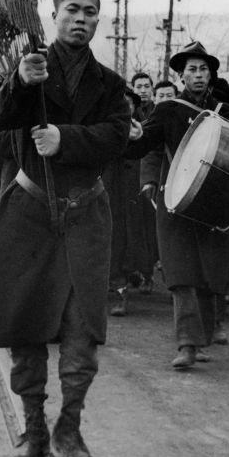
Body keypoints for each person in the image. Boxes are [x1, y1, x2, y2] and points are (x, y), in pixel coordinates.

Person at [0, 0, 129, 457]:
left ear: (99, 21)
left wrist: (66, 138)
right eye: (72, 10)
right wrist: (19, 82)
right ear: (54, 14)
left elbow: (117, 137)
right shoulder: (28, 70)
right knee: (26, 324)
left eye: (91, 12)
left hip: (86, 217)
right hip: (30, 215)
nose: (81, 18)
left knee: (83, 330)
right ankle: (34, 431)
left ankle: (70, 428)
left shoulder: (111, 85)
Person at [127, 40, 229, 370]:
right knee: (180, 271)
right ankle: (187, 344)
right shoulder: (168, 110)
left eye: (204, 69)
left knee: (209, 272)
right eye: (191, 69)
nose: (199, 75)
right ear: (179, 75)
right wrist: (133, 136)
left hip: (214, 205)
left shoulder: (227, 113)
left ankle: (200, 338)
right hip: (174, 201)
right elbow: (145, 145)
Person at [103, 88, 155, 317]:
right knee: (111, 237)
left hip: (134, 191)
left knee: (134, 238)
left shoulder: (143, 129)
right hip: (108, 188)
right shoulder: (104, 128)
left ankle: (133, 281)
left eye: (129, 104)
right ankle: (117, 288)